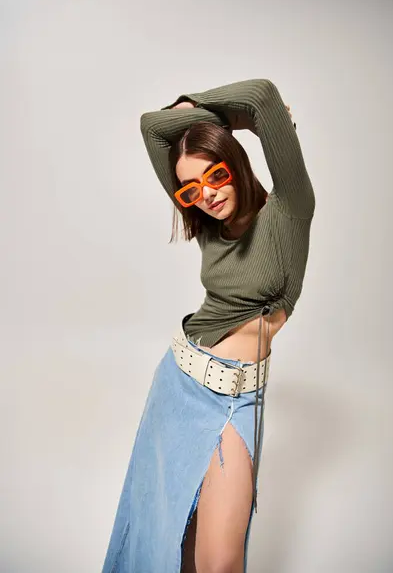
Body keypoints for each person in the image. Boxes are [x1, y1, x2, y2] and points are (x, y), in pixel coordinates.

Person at [101, 78, 316, 573]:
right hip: (179, 387)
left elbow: (262, 97)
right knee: (170, 542)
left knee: (218, 562)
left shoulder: (288, 212)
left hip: (238, 401)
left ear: (235, 161)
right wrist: (193, 116)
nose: (207, 195)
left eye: (216, 174)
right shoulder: (209, 226)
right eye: (192, 189)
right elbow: (153, 129)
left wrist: (201, 109)